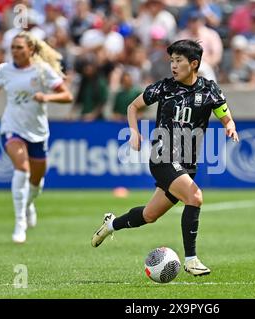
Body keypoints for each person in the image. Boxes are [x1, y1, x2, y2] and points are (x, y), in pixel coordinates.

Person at [91, 39, 239, 276]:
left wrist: (230, 126)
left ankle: (111, 224)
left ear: (194, 64)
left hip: (188, 164)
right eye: (171, 60)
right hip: (163, 156)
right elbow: (132, 106)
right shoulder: (164, 87)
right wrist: (134, 132)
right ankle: (191, 260)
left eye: (178, 61)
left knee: (149, 216)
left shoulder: (210, 90)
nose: (173, 65)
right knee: (195, 196)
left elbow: (225, 115)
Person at [0, 31, 73, 243]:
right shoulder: (5, 70)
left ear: (30, 50)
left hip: (37, 132)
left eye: (19, 47)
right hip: (12, 127)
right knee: (22, 169)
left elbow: (67, 95)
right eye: (12, 47)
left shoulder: (42, 71)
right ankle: (20, 222)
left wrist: (46, 96)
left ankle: (29, 203)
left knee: (36, 183)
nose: (15, 51)